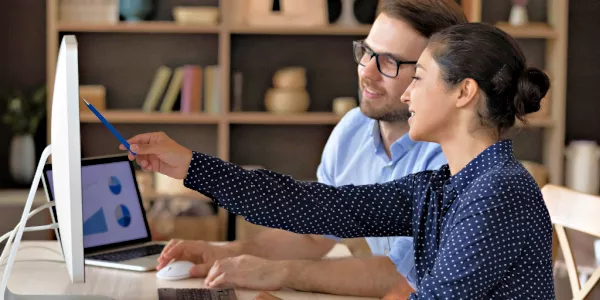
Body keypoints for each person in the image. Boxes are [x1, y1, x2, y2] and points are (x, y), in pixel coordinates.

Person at [122, 22, 555, 299]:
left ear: (464, 92)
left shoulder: (498, 192)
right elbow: (316, 206)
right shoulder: (443, 185)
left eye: (418, 79)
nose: (406, 94)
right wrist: (191, 166)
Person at [149, 1, 466, 298]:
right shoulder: (352, 129)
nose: (366, 72)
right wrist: (225, 251)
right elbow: (314, 232)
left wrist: (281, 273)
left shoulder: (453, 159)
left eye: (389, 63)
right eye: (367, 52)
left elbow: (405, 276)